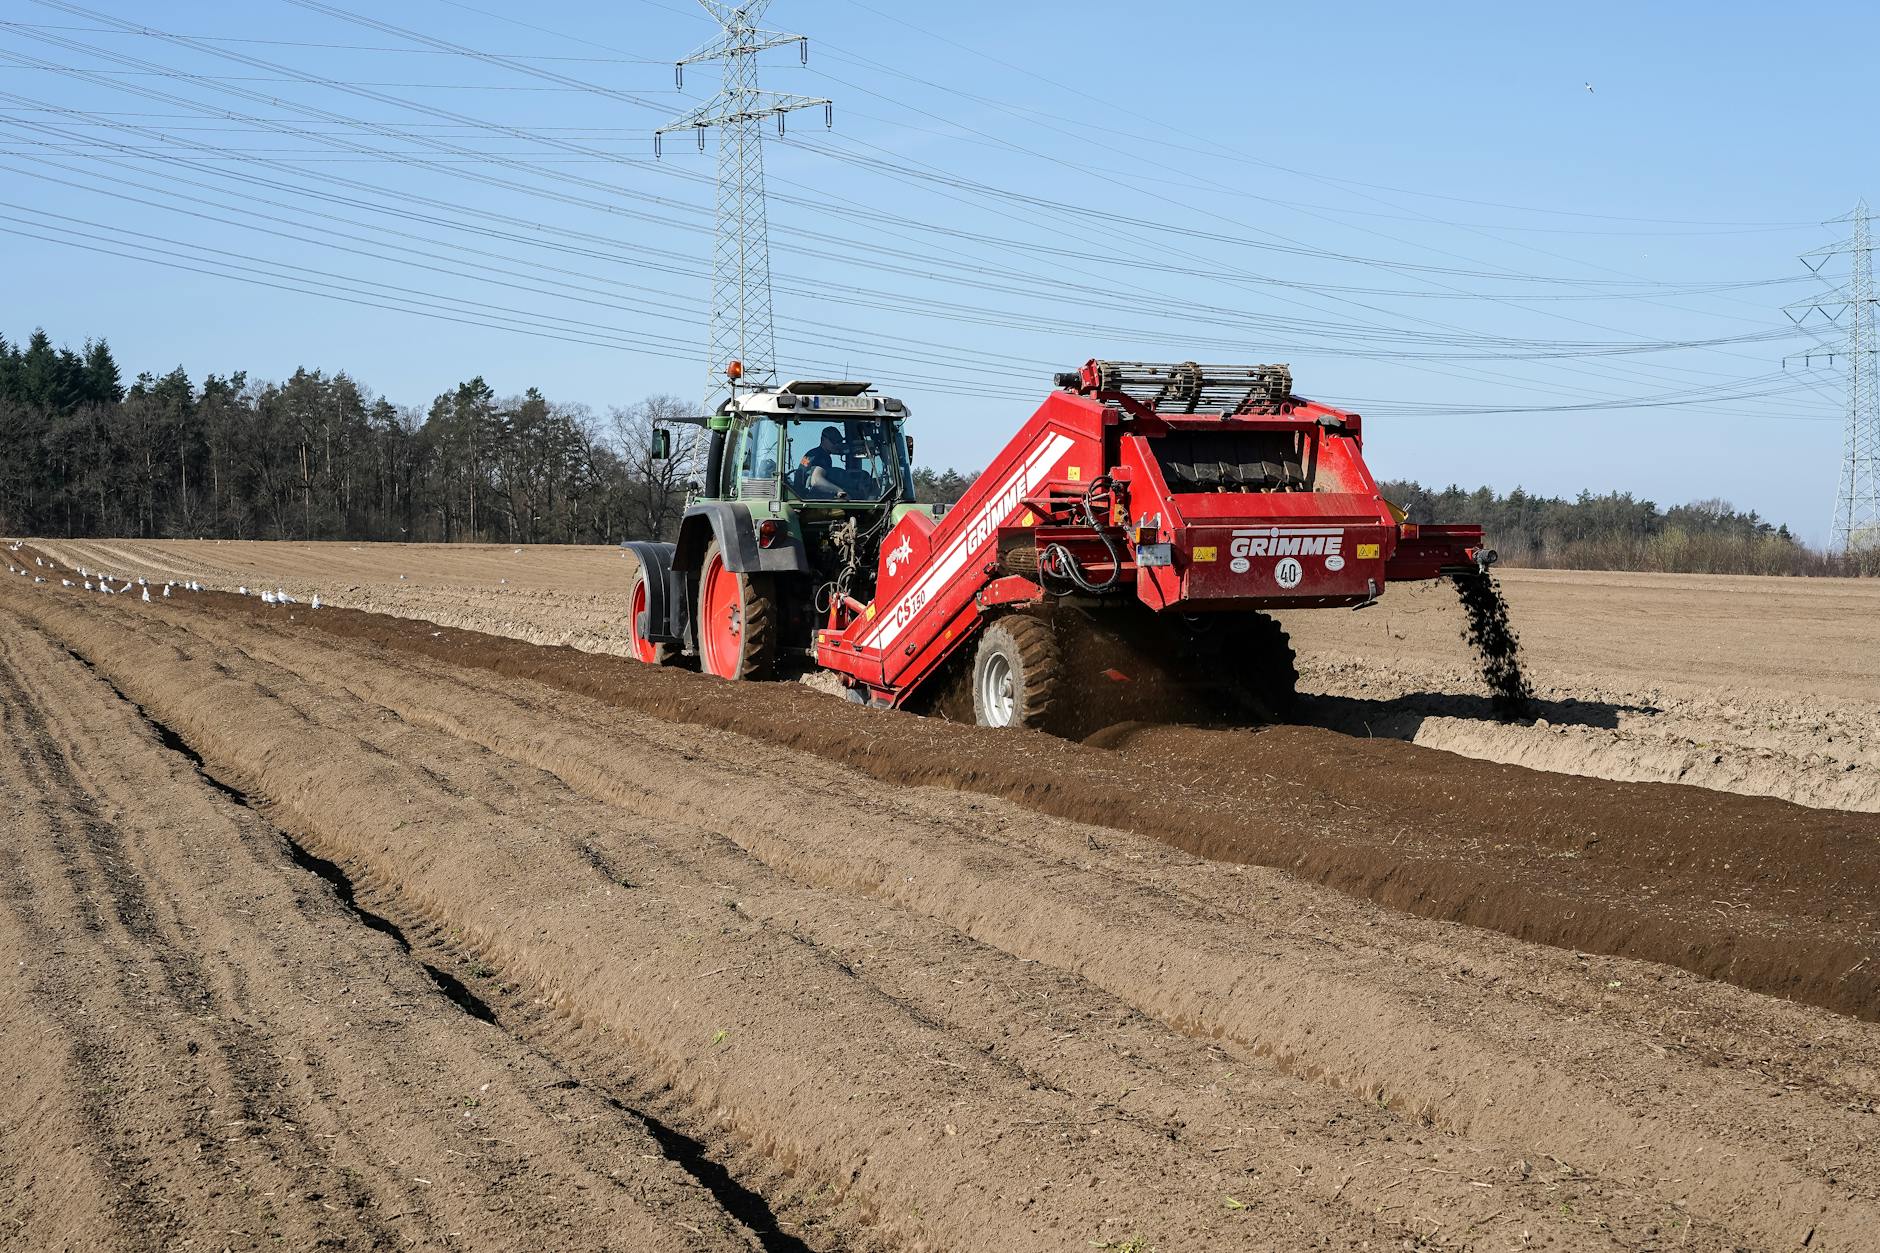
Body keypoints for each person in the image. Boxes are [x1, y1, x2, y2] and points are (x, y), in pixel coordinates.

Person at [799, 424, 850, 499]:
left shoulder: (812, 453)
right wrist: (839, 491)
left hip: (801, 495)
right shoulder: (822, 456)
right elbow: (816, 481)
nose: (836, 445)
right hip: (810, 498)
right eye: (833, 441)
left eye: (839, 441)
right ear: (823, 439)